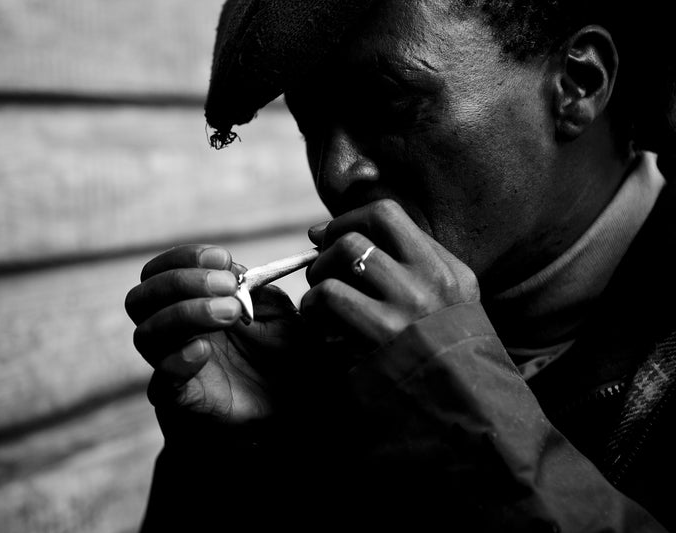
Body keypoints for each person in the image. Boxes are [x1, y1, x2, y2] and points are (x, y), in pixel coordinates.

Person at [125, 0, 676, 530]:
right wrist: (248, 464)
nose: (336, 173)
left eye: (388, 101)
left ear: (578, 84)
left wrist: (465, 414)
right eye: (309, 125)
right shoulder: (331, 355)